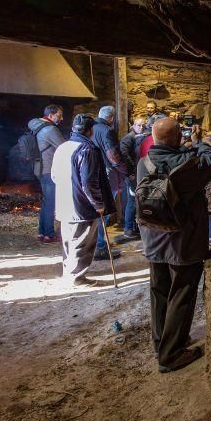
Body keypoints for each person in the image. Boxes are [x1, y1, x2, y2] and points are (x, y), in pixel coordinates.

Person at [137, 118, 211, 372]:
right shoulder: (185, 164)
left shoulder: (144, 163)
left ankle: (161, 342)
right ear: (176, 138)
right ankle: (171, 354)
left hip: (153, 238)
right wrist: (200, 142)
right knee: (182, 293)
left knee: (159, 291)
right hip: (183, 240)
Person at [51, 114, 115, 287]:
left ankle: (69, 272)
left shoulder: (62, 147)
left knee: (68, 240)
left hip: (64, 202)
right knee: (82, 242)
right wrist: (98, 204)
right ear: (90, 130)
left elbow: (54, 176)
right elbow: (89, 183)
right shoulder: (87, 150)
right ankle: (77, 278)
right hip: (81, 205)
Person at [90, 106, 127, 260]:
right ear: (112, 118)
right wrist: (126, 170)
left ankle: (96, 243)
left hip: (92, 174)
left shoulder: (90, 128)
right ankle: (100, 246)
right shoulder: (107, 131)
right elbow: (113, 156)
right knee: (103, 214)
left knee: (97, 212)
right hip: (106, 176)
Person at [28, 105, 65, 243]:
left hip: (39, 168)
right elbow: (64, 147)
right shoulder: (50, 129)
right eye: (59, 115)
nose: (61, 118)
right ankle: (49, 234)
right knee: (50, 203)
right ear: (50, 115)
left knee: (46, 202)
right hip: (49, 169)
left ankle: (41, 232)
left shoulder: (36, 126)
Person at [118, 116, 148, 242]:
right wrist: (130, 172)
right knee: (131, 201)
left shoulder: (140, 137)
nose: (141, 127)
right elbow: (123, 155)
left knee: (136, 201)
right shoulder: (128, 138)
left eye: (142, 125)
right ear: (133, 126)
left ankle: (133, 227)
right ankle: (128, 228)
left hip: (137, 174)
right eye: (138, 125)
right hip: (132, 175)